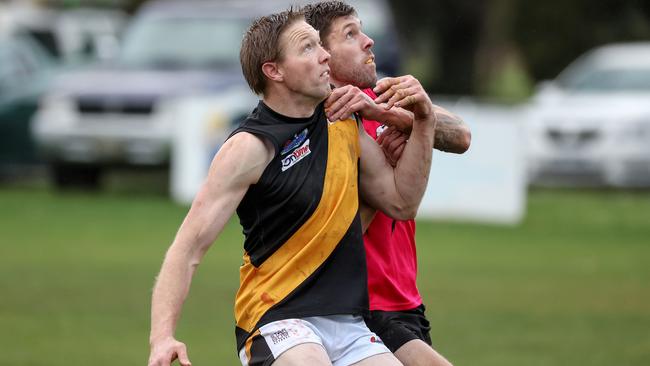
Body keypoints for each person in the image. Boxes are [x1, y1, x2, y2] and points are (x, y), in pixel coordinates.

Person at [148, 8, 439, 366]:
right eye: (307, 48)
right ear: (274, 70)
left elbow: (401, 202)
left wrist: (423, 121)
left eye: (321, 45)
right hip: (277, 317)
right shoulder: (249, 147)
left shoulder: (343, 123)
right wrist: (162, 337)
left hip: (348, 323)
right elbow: (186, 249)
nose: (325, 55)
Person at [303, 2, 472, 366]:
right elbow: (334, 236)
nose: (368, 41)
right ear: (322, 56)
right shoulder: (322, 123)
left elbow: (461, 136)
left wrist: (393, 114)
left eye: (362, 30)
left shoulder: (382, 99)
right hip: (361, 308)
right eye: (351, 34)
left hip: (407, 301)